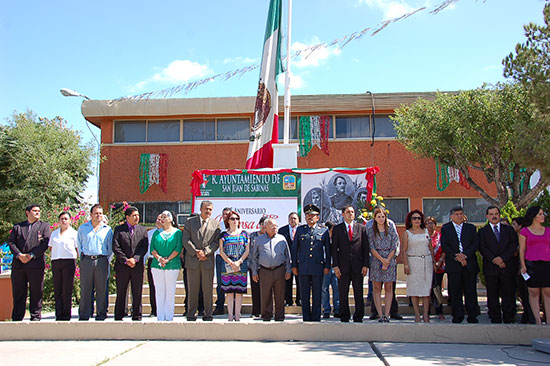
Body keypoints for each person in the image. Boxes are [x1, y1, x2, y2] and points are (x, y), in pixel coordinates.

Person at [8, 204, 51, 321]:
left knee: (36, 291)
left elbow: (45, 244)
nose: (38, 213)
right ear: (28, 212)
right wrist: (19, 255)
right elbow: (11, 243)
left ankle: (35, 316)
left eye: (39, 211)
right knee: (18, 292)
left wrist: (31, 255)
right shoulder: (18, 227)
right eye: (35, 211)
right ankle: (17, 317)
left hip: (36, 264)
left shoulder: (44, 226)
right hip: (19, 265)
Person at [478, 206, 518, 324]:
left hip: (507, 266)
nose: (494, 216)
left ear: (499, 215)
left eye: (496, 214)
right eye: (491, 214)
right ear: (487, 216)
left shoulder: (508, 230)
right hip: (491, 268)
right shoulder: (482, 231)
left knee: (508, 294)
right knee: (492, 294)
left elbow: (513, 245)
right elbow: (482, 248)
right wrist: (495, 260)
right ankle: (495, 318)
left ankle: (508, 317)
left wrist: (503, 258)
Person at [182, 200, 221, 321]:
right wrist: (196, 252)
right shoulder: (190, 222)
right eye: (206, 209)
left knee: (208, 289)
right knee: (192, 289)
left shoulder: (216, 224)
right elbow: (186, 240)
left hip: (207, 261)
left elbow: (216, 242)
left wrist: (206, 251)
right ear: (200, 209)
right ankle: (191, 314)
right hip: (193, 260)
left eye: (210, 209)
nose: (208, 211)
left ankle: (208, 314)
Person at [440, 206, 480, 324]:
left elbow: (475, 243)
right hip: (454, 264)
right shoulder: (446, 228)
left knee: (470, 291)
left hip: (469, 263)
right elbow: (445, 245)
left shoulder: (471, 228)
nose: (459, 216)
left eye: (461, 214)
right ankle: (457, 315)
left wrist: (465, 255)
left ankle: (472, 315)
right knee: (455, 291)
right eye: (456, 214)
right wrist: (457, 257)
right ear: (451, 216)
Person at [292, 204, 331, 322]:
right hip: (303, 267)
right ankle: (306, 317)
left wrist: (327, 265)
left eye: (313, 215)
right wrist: (294, 265)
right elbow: (295, 249)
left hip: (318, 267)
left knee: (317, 294)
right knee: (304, 294)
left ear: (318, 218)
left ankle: (316, 318)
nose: (310, 217)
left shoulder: (324, 230)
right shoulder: (300, 230)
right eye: (308, 215)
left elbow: (328, 250)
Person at [332, 206, 369, 323]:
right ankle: (344, 316)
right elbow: (334, 249)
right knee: (343, 293)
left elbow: (365, 248)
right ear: (343, 214)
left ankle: (359, 316)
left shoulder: (361, 228)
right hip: (343, 267)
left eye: (352, 212)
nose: (351, 214)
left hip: (358, 267)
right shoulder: (337, 229)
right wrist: (336, 266)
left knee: (358, 293)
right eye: (348, 212)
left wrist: (365, 265)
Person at [250, 218, 291, 321]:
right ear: (265, 227)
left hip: (279, 270)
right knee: (265, 295)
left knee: (280, 295)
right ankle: (266, 316)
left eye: (276, 225)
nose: (275, 227)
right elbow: (254, 257)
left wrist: (288, 270)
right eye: (272, 225)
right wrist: (254, 272)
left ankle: (280, 316)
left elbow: (287, 256)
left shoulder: (282, 238)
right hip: (264, 271)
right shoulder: (258, 240)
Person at [77, 204, 113, 321]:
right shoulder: (83, 228)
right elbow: (79, 245)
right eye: (96, 213)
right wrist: (82, 259)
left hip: (102, 260)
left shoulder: (107, 230)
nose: (99, 216)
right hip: (87, 260)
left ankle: (101, 314)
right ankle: (85, 314)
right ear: (91, 214)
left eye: (101, 213)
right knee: (86, 288)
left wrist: (106, 260)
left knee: (102, 288)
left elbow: (110, 248)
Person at [112, 206, 148, 321]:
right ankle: (119, 315)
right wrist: (126, 260)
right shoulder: (119, 230)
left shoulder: (142, 230)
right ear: (127, 217)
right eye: (134, 215)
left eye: (138, 215)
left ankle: (137, 315)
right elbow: (116, 247)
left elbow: (144, 247)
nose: (137, 217)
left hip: (137, 266)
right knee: (121, 291)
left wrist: (135, 259)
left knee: (137, 291)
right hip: (122, 266)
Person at [366, 207, 399, 323]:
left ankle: (387, 314)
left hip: (389, 260)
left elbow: (394, 245)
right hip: (376, 260)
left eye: (383, 217)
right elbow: (371, 247)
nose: (381, 219)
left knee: (389, 288)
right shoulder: (371, 230)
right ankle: (380, 314)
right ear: (374, 218)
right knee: (376, 288)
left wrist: (387, 260)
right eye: (378, 217)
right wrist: (381, 260)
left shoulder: (391, 229)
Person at [519, 206, 550, 325]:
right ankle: (537, 320)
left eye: (543, 214)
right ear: (534, 216)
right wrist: (523, 265)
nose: (543, 216)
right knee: (533, 292)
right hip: (531, 264)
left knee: (547, 293)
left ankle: (548, 321)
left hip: (547, 264)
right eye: (540, 214)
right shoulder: (525, 231)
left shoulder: (548, 230)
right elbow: (522, 249)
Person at [402, 210, 434, 323]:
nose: (417, 220)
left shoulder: (426, 232)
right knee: (414, 290)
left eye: (419, 218)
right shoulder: (407, 233)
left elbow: (430, 247)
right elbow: (404, 250)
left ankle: (425, 315)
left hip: (426, 261)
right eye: (414, 218)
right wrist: (406, 265)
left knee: (426, 290)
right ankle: (417, 315)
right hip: (413, 261)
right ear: (410, 220)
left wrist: (434, 262)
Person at [150, 210, 182, 321]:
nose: (162, 219)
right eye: (161, 217)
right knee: (159, 291)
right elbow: (152, 248)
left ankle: (169, 317)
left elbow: (178, 248)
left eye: (165, 217)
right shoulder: (156, 233)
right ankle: (160, 317)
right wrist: (159, 258)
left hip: (172, 265)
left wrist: (167, 259)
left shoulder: (177, 232)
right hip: (157, 265)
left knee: (170, 291)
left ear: (171, 219)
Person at [219, 211, 249, 321]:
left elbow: (247, 250)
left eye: (237, 218)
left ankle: (238, 315)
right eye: (232, 218)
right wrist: (231, 263)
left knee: (239, 291)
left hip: (241, 264)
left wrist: (239, 262)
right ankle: (230, 315)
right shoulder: (223, 235)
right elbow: (221, 251)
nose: (235, 220)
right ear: (228, 221)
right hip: (227, 264)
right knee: (229, 291)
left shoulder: (244, 234)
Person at [49, 211, 78, 321]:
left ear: (70, 220)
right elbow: (51, 247)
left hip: (69, 261)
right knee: (58, 289)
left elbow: (77, 249)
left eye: (66, 218)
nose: (64, 220)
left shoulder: (74, 233)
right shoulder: (54, 233)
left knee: (67, 289)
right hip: (56, 261)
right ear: (58, 221)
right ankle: (58, 314)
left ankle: (66, 315)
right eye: (62, 218)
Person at [512, 216, 534, 324]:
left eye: (514, 224)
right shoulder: (514, 237)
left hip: (527, 268)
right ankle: (526, 315)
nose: (512, 227)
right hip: (517, 270)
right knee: (522, 294)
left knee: (529, 293)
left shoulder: (526, 236)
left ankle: (531, 316)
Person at [279, 212, 301, 306]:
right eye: (291, 218)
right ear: (288, 220)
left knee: (300, 281)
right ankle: (288, 300)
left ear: (298, 220)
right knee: (287, 281)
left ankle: (299, 300)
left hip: (299, 260)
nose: (293, 220)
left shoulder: (302, 230)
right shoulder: (282, 230)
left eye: (295, 218)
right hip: (286, 260)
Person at [426, 216, 445, 320]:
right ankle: (427, 311)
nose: (430, 225)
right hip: (426, 266)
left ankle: (439, 311)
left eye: (432, 223)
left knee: (437, 289)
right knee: (427, 290)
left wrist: (439, 262)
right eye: (428, 223)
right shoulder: (423, 236)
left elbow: (444, 250)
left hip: (439, 266)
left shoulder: (440, 236)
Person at [214, 207, 232, 316]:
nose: (225, 216)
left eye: (227, 214)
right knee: (220, 283)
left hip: (232, 258)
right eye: (223, 214)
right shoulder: (218, 226)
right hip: (220, 257)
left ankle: (233, 307)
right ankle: (219, 306)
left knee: (232, 282)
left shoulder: (235, 226)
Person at [248, 216, 267, 317]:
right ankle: (255, 311)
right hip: (254, 267)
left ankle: (265, 311)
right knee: (255, 290)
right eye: (263, 224)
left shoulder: (270, 236)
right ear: (259, 225)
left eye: (266, 224)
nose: (264, 226)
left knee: (266, 291)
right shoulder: (252, 236)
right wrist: (252, 268)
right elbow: (250, 252)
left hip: (266, 268)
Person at [322, 221, 340, 319]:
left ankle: (337, 309)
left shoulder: (338, 239)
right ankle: (326, 310)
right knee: (324, 289)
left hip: (336, 267)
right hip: (326, 267)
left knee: (336, 288)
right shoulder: (323, 239)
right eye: (332, 231)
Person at [146, 214, 162, 317]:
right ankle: (154, 310)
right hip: (152, 261)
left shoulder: (168, 233)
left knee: (163, 287)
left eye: (161, 219)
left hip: (164, 261)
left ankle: (163, 309)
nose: (159, 221)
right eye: (157, 218)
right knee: (153, 286)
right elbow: (145, 249)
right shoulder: (149, 233)